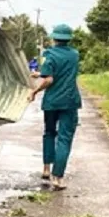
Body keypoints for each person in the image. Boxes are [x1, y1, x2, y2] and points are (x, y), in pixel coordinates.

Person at [27, 24, 82, 191]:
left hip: (52, 102)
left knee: (49, 133)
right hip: (70, 101)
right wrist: (41, 74)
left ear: (54, 38)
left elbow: (49, 79)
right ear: (68, 39)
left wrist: (34, 91)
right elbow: (56, 73)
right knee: (64, 138)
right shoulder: (75, 55)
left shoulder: (49, 54)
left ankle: (46, 169)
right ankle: (58, 178)